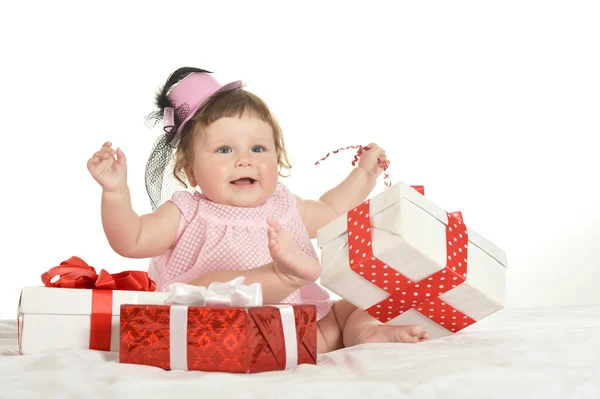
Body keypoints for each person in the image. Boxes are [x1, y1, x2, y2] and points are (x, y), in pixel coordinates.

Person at [87, 67, 428, 353]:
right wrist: (116, 193)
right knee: (213, 289)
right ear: (190, 171)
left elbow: (332, 209)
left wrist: (365, 172)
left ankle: (366, 335)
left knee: (353, 305)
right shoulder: (187, 212)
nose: (244, 159)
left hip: (298, 331)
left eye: (258, 148)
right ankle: (283, 276)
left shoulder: (283, 205)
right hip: (216, 328)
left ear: (277, 159)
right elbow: (130, 240)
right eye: (224, 149)